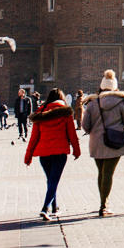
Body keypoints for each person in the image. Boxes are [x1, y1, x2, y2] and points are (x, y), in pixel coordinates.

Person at [81, 70, 124, 217]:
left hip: (97, 142)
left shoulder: (92, 102)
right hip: (115, 141)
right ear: (115, 87)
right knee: (108, 173)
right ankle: (104, 205)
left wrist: (95, 131)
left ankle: (103, 202)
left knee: (101, 172)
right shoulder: (122, 102)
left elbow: (85, 125)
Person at [24, 88, 81, 220]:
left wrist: (28, 156)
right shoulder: (66, 114)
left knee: (51, 180)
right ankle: (45, 208)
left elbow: (34, 138)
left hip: (43, 153)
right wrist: (77, 151)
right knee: (53, 181)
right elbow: (72, 134)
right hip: (60, 152)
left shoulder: (41, 113)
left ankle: (55, 207)